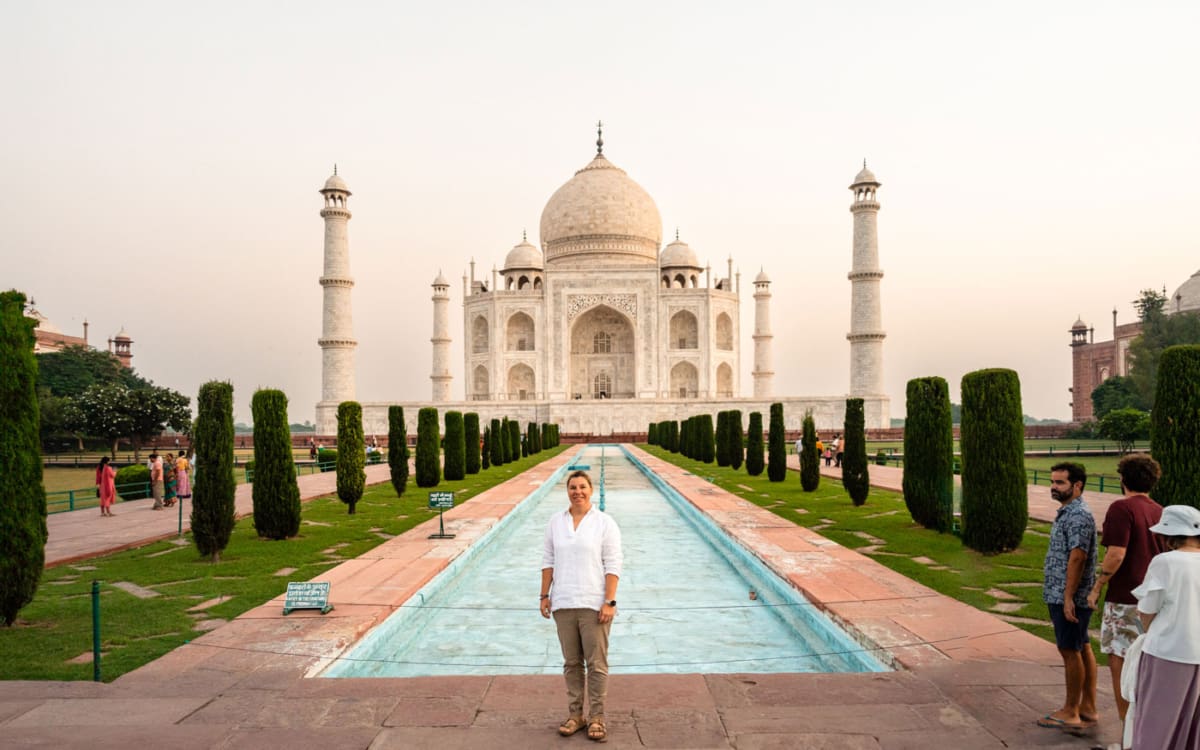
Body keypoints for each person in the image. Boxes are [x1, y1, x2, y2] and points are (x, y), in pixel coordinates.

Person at [540, 470, 622, 743]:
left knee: (596, 664)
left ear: (591, 490)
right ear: (567, 491)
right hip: (563, 602)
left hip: (593, 603)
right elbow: (548, 560)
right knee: (572, 664)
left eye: (582, 487)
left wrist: (609, 601)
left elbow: (613, 563)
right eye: (573, 487)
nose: (578, 492)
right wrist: (544, 595)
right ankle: (576, 715)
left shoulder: (604, 523)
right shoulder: (556, 522)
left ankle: (597, 717)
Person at [1086, 453, 1166, 728]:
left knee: (1120, 657)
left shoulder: (1122, 508)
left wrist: (1098, 585)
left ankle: (1128, 726)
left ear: (1122, 479)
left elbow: (1116, 554)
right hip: (1154, 599)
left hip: (1126, 597)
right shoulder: (1159, 510)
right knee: (1147, 660)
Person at [1130, 504, 1200, 749]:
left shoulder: (1166, 562)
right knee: (1191, 725)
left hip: (1167, 650)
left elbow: (1147, 609)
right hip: (1196, 652)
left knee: (1154, 722)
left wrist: (1146, 630)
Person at [1037, 462, 1099, 734]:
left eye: (1060, 482)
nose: (1053, 486)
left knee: (1069, 650)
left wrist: (1068, 596)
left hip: (1069, 596)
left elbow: (1078, 556)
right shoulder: (1068, 513)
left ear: (1077, 486)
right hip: (1065, 593)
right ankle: (1088, 707)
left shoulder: (1077, 515)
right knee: (1081, 646)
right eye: (1053, 481)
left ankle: (1071, 711)